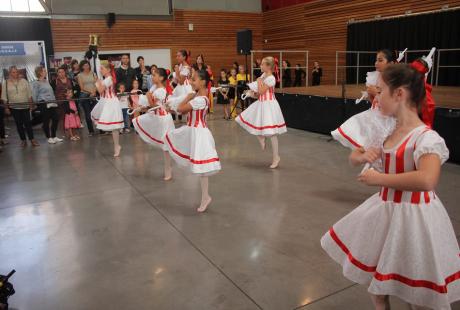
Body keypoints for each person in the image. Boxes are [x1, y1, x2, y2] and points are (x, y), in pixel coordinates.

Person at [321, 63, 460, 310]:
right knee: (379, 282)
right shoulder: (387, 132)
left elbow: (427, 179)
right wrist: (361, 157)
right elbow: (355, 157)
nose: (376, 95)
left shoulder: (426, 138)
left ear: (400, 94)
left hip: (416, 217)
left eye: (381, 90)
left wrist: (379, 179)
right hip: (385, 212)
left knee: (416, 288)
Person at [164, 69, 221, 213]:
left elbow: (182, 109)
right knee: (198, 167)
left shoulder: (201, 99)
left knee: (202, 168)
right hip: (191, 131)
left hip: (199, 134)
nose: (191, 82)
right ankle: (205, 196)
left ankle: (205, 197)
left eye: (194, 79)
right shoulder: (196, 97)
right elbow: (180, 110)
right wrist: (169, 108)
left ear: (202, 82)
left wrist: (187, 97)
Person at [331, 49, 397, 150]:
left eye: (380, 60)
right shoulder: (377, 76)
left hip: (386, 120)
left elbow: (393, 105)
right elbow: (375, 102)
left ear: (391, 63)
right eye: (376, 60)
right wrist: (371, 96)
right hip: (375, 115)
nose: (376, 63)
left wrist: (377, 93)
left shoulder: (396, 80)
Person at [235, 57, 287, 168]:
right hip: (262, 103)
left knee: (272, 133)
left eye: (263, 64)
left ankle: (276, 157)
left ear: (268, 66)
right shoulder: (263, 76)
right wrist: (250, 93)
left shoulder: (271, 78)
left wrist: (258, 82)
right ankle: (261, 137)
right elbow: (258, 94)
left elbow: (261, 91)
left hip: (269, 105)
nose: (261, 66)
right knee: (244, 119)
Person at [133, 68, 175, 180]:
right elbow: (149, 105)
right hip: (156, 117)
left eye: (155, 75)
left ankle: (168, 169)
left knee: (165, 145)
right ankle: (167, 168)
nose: (152, 76)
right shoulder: (154, 88)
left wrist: (147, 97)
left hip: (163, 119)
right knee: (163, 144)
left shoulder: (161, 90)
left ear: (161, 78)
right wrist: (141, 107)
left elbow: (153, 105)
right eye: (152, 75)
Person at [91, 62, 124, 157]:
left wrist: (96, 81)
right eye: (100, 68)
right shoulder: (107, 78)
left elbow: (100, 90)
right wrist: (98, 81)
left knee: (114, 126)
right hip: (106, 101)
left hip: (111, 102)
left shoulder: (109, 79)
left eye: (102, 69)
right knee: (112, 127)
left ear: (108, 69)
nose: (101, 70)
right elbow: (101, 91)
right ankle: (116, 146)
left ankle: (117, 146)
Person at [1, 66, 39, 147]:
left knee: (28, 123)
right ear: (10, 73)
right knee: (19, 124)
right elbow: (4, 96)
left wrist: (31, 104)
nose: (15, 74)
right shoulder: (6, 83)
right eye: (13, 72)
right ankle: (23, 140)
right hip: (14, 107)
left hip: (25, 106)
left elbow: (29, 94)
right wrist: (6, 108)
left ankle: (32, 139)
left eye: (16, 72)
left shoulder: (24, 81)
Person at [31, 66, 63, 144]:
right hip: (43, 103)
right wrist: (36, 103)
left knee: (55, 118)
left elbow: (51, 92)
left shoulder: (46, 81)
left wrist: (54, 101)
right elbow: (34, 95)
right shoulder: (36, 83)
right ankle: (48, 137)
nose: (45, 72)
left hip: (52, 103)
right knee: (46, 121)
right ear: (40, 72)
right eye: (44, 71)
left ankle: (54, 136)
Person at [77, 60, 98, 136]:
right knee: (87, 113)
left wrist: (94, 92)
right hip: (85, 96)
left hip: (94, 95)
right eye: (84, 65)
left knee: (96, 112)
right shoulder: (80, 75)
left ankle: (101, 129)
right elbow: (82, 87)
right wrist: (90, 92)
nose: (86, 66)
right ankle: (91, 131)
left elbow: (96, 84)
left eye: (87, 65)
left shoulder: (93, 74)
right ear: (82, 67)